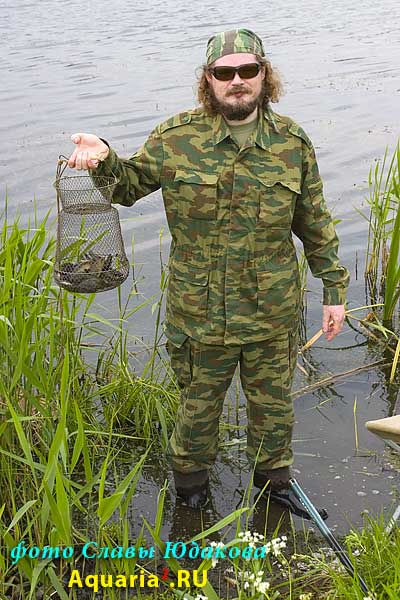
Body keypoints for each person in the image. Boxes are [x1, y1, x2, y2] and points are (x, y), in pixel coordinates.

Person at [68, 29, 349, 514]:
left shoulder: (292, 142)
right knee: (197, 410)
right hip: (199, 313)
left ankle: (274, 487)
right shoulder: (176, 138)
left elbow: (314, 220)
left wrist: (334, 288)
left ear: (264, 74)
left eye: (247, 71)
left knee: (275, 406)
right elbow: (128, 187)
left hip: (272, 309)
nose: (237, 81)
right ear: (209, 80)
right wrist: (104, 158)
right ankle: (191, 497)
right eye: (224, 73)